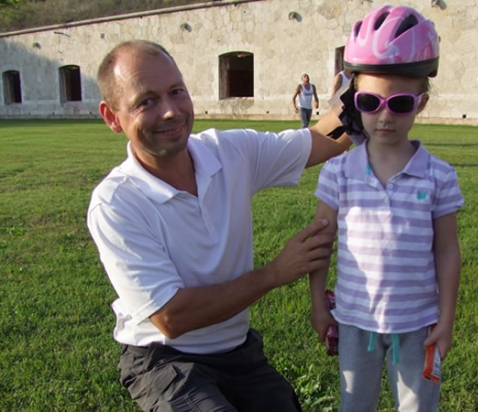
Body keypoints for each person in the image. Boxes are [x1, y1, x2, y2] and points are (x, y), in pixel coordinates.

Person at [87, 40, 350, 412]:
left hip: (237, 351)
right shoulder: (117, 202)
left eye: (177, 91)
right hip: (164, 359)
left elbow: (324, 139)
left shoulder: (229, 152)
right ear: (112, 117)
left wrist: (373, 86)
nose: (170, 111)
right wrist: (274, 273)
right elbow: (171, 317)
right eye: (146, 101)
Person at [308, 6, 464, 412]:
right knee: (354, 406)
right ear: (353, 101)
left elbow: (447, 251)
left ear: (421, 103)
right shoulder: (338, 172)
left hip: (418, 326)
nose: (384, 116)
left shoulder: (439, 176)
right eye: (370, 101)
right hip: (354, 321)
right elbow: (320, 244)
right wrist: (318, 305)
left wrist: (446, 320)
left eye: (400, 103)